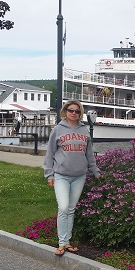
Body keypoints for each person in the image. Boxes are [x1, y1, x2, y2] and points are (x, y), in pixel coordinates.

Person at [43, 100, 101, 256]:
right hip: (61, 175)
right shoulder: (58, 130)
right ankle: (61, 243)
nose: (73, 113)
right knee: (63, 207)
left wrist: (95, 171)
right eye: (71, 110)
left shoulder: (84, 130)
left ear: (80, 113)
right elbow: (49, 153)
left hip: (79, 176)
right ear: (65, 111)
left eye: (76, 111)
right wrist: (49, 174)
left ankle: (67, 242)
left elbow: (89, 154)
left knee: (70, 209)